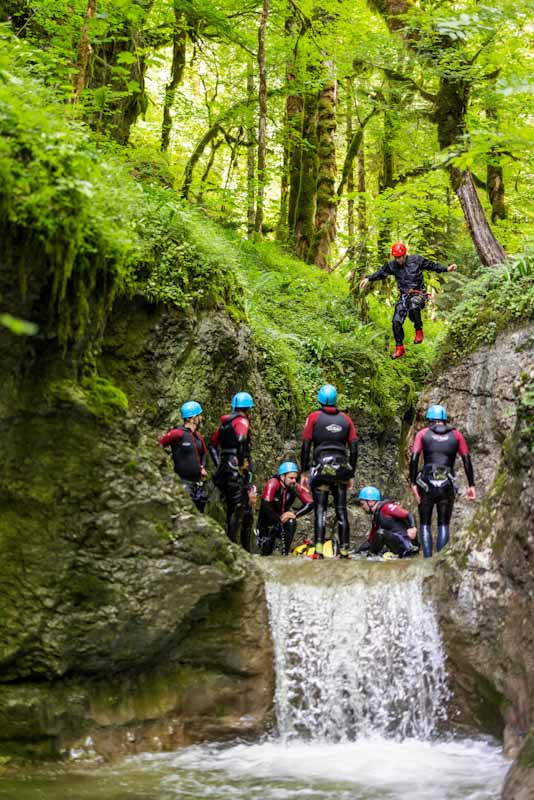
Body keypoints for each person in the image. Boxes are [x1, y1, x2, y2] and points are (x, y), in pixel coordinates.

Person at [358, 242, 458, 359]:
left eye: (400, 257)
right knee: (396, 321)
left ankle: (419, 330)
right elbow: (381, 273)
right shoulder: (392, 265)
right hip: (404, 296)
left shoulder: (417, 260)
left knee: (414, 305)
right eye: (396, 258)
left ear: (404, 255)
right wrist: (368, 278)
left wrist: (446, 268)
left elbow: (432, 265)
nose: (398, 260)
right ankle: (400, 348)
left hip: (418, 294)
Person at [410, 404, 476, 558]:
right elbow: (467, 459)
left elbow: (414, 458)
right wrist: (471, 485)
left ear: (429, 420)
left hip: (426, 482)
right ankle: (439, 562)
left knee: (425, 523)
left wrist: (413, 483)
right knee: (443, 524)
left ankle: (427, 561)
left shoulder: (423, 433)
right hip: (447, 482)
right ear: (444, 419)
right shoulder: (457, 435)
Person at [300, 384, 358, 559]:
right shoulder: (346, 420)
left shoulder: (314, 418)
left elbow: (306, 445)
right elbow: (354, 448)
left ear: (319, 399)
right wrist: (351, 473)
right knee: (341, 510)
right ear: (335, 400)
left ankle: (318, 550)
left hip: (321, 469)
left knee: (320, 510)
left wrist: (304, 471)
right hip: (340, 470)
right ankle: (345, 550)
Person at [209, 392, 257, 551]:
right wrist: (242, 462)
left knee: (231, 507)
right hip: (235, 469)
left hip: (224, 469)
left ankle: (233, 544)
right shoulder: (242, 421)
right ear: (247, 409)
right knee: (237, 508)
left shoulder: (224, 424)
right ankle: (233, 546)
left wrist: (219, 464)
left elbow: (212, 445)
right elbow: (242, 439)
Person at [159, 401, 209, 512]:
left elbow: (204, 453)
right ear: (193, 418)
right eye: (199, 416)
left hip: (198, 483)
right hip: (183, 482)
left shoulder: (198, 436)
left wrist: (202, 467)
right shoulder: (177, 433)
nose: (201, 418)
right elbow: (159, 444)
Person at [256, 462, 314, 556]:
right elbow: (265, 504)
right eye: (291, 478)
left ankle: (285, 554)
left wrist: (295, 514)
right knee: (266, 551)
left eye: (295, 478)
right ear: (282, 477)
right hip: (267, 522)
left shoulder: (295, 487)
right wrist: (279, 518)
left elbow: (310, 503)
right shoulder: (273, 483)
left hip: (281, 521)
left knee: (291, 521)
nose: (294, 481)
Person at [357, 486, 419, 559]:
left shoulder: (387, 507)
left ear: (370, 502)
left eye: (362, 504)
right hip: (395, 545)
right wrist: (357, 552)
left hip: (405, 545)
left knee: (381, 533)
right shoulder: (376, 517)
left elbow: (408, 514)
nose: (362, 507)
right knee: (378, 536)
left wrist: (413, 527)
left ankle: (370, 557)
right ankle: (370, 556)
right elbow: (371, 541)